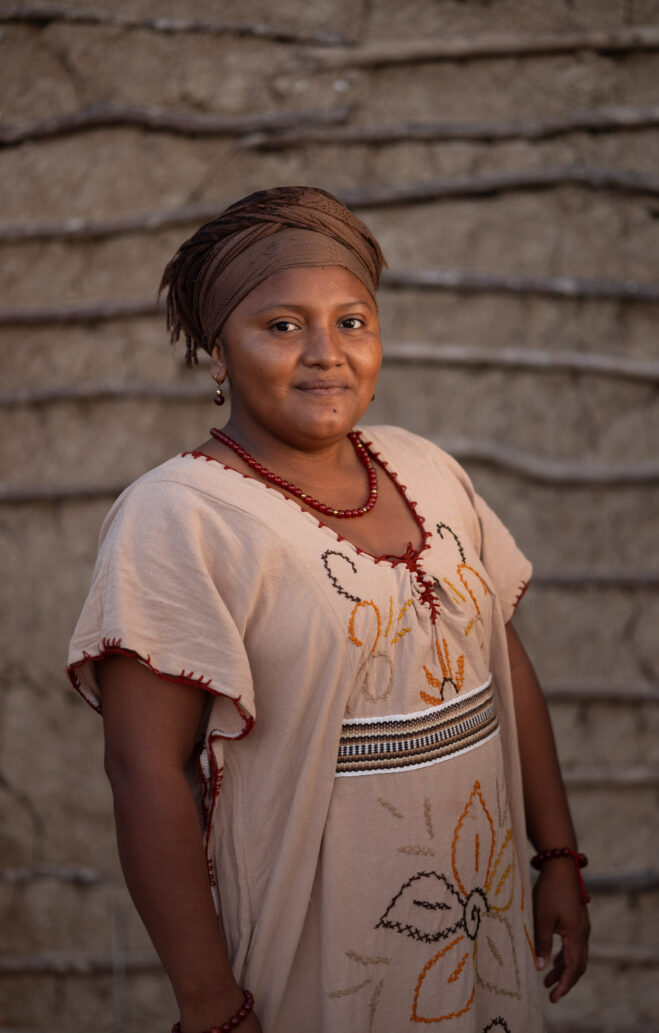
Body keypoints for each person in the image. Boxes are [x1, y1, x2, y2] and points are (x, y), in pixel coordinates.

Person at [67, 186, 589, 1033]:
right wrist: (209, 1001)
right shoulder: (179, 516)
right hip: (320, 944)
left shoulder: (427, 471)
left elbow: (503, 660)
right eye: (281, 325)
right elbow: (143, 771)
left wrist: (556, 850)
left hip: (480, 914)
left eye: (351, 321)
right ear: (218, 354)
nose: (325, 353)